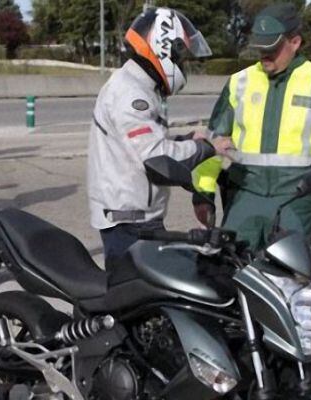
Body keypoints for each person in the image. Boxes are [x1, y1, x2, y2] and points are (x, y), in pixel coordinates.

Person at [192, 3, 311, 251]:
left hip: (297, 202)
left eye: (273, 49)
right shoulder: (240, 82)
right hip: (243, 198)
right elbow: (213, 144)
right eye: (260, 48)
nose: (265, 55)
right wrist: (203, 194)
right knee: (232, 273)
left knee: (289, 280)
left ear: (295, 42)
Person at [88, 7, 234, 262]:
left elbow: (144, 145)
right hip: (129, 225)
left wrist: (185, 140)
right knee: (139, 298)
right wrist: (207, 148)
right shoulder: (131, 95)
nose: (182, 63)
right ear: (165, 48)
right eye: (182, 57)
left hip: (136, 219)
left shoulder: (139, 86)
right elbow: (155, 159)